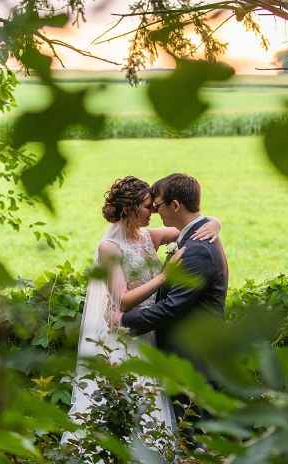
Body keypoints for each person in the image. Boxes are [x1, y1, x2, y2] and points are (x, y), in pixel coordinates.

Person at [64, 176, 221, 446]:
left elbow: (190, 226)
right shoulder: (109, 248)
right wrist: (163, 277)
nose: (155, 212)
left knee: (153, 406)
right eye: (149, 206)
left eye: (156, 206)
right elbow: (122, 300)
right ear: (130, 209)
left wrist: (216, 223)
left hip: (148, 331)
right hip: (125, 333)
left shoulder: (150, 237)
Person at [111, 173, 229, 448]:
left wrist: (123, 320)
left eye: (158, 205)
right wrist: (215, 222)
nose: (154, 210)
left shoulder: (197, 249)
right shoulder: (190, 238)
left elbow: (171, 307)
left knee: (195, 438)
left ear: (175, 206)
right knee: (186, 433)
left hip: (194, 356)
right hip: (180, 353)